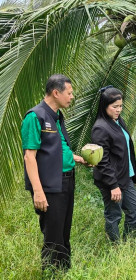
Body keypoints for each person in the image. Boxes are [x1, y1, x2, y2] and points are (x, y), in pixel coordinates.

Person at [21, 74, 86, 271]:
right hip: (50, 185)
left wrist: (75, 158)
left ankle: (65, 271)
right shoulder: (35, 116)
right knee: (53, 234)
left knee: (64, 231)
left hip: (66, 180)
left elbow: (56, 147)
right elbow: (29, 157)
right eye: (69, 93)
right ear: (56, 93)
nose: (72, 97)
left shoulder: (56, 116)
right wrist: (38, 192)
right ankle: (50, 273)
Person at [91, 86, 136, 243]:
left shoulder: (118, 121)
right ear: (105, 106)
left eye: (120, 106)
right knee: (114, 215)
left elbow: (127, 148)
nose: (119, 110)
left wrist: (135, 170)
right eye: (115, 107)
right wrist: (113, 185)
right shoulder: (100, 127)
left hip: (125, 176)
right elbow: (102, 161)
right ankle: (115, 248)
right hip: (111, 180)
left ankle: (129, 245)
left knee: (134, 210)